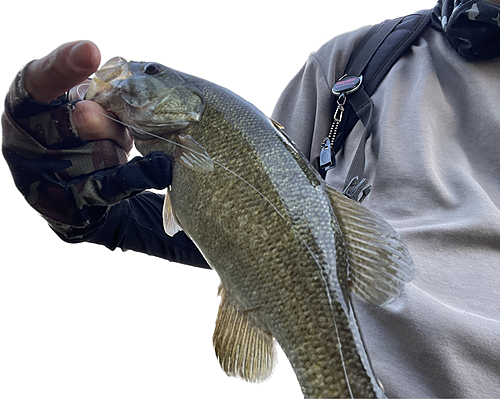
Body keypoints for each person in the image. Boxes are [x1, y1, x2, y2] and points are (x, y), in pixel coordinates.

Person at [2, 1, 499, 397]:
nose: (134, 74)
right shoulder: (360, 63)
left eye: (149, 70)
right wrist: (104, 214)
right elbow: (269, 234)